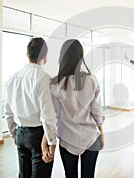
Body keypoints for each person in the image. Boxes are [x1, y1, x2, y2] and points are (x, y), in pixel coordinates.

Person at [45, 39, 105, 178]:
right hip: (91, 137)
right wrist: (101, 135)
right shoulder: (91, 79)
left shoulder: (55, 83)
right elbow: (97, 112)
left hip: (67, 140)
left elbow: (53, 117)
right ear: (80, 57)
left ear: (62, 57)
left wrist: (50, 142)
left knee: (70, 175)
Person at [5, 38, 57, 178]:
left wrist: (13, 134)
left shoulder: (12, 78)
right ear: (45, 55)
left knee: (23, 175)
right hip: (39, 136)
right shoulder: (43, 78)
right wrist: (51, 142)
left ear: (28, 54)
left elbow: (8, 112)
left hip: (20, 133)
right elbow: (48, 115)